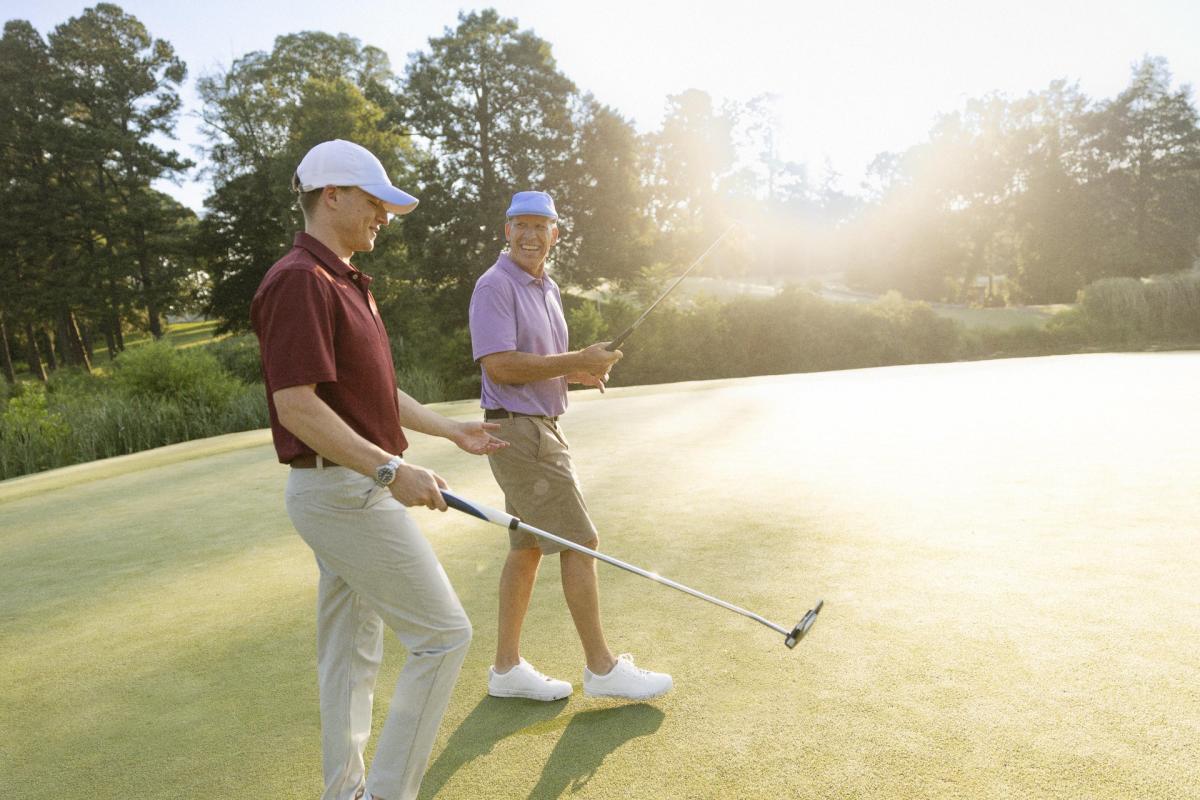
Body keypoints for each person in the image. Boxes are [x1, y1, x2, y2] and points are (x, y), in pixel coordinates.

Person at [250, 139, 506, 800]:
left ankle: (346, 793)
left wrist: (450, 430)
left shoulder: (341, 280)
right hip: (343, 493)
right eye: (374, 201)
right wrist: (392, 471)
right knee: (445, 638)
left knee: (351, 656)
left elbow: (373, 394)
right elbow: (296, 407)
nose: (384, 217)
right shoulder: (300, 282)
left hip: (347, 490)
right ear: (331, 194)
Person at [468, 190, 673, 702]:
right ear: (506, 229)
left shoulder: (548, 287)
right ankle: (602, 669)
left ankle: (506, 669)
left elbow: (539, 361)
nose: (532, 235)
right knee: (582, 541)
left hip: (538, 425)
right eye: (522, 225)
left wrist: (577, 371)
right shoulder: (494, 285)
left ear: (555, 234)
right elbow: (500, 365)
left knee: (528, 546)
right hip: (520, 432)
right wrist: (574, 357)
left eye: (542, 226)